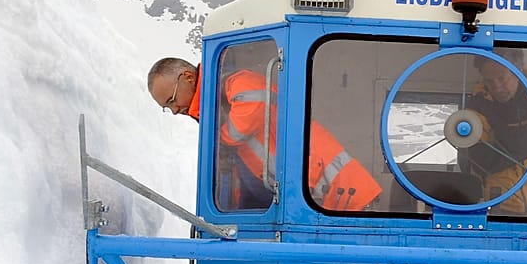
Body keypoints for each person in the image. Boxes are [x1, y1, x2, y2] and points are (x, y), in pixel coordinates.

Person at [147, 57, 382, 211]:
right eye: (167, 108)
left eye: (172, 100)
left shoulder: (236, 83)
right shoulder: (216, 108)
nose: (175, 110)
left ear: (188, 77)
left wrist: (219, 137)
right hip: (324, 200)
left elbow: (246, 121)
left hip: (347, 194)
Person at [461, 50, 527, 215]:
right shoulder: (476, 106)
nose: (497, 87)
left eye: (502, 79)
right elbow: (483, 161)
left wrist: (501, 137)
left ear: (518, 72)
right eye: (489, 81)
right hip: (501, 207)